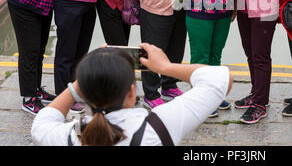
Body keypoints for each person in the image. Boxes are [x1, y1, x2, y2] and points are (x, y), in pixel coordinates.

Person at [30, 43, 233, 146]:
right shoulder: (159, 126)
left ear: (85, 94)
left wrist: (79, 83)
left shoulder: (71, 136)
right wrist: (165, 66)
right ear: (131, 92)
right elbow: (219, 80)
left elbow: (42, 123)